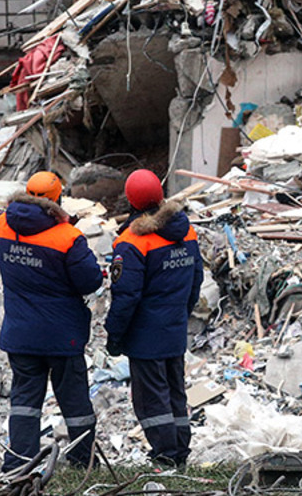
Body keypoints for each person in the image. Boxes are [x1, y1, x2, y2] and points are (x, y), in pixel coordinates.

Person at [0, 144, 102, 471]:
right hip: (63, 337)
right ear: (57, 199)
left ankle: (19, 461)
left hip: (22, 335)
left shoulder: (3, 226)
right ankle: (83, 461)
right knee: (74, 402)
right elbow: (89, 283)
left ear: (28, 194)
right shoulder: (67, 237)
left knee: (25, 403)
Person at [106, 169, 204, 467]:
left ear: (130, 200)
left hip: (145, 336)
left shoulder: (133, 241)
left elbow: (126, 297)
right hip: (174, 330)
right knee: (175, 392)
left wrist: (114, 335)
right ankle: (180, 451)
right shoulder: (186, 231)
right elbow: (196, 281)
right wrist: (180, 316)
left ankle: (166, 455)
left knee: (152, 401)